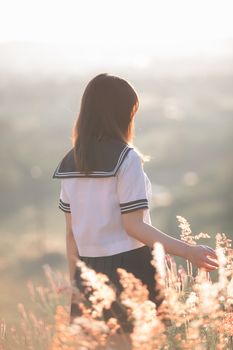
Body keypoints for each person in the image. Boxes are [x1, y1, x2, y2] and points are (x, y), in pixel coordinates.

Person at [52, 73, 219, 334]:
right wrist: (190, 251)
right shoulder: (126, 158)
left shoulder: (70, 162)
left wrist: (77, 288)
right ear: (122, 113)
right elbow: (134, 226)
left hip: (87, 274)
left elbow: (71, 235)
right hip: (129, 270)